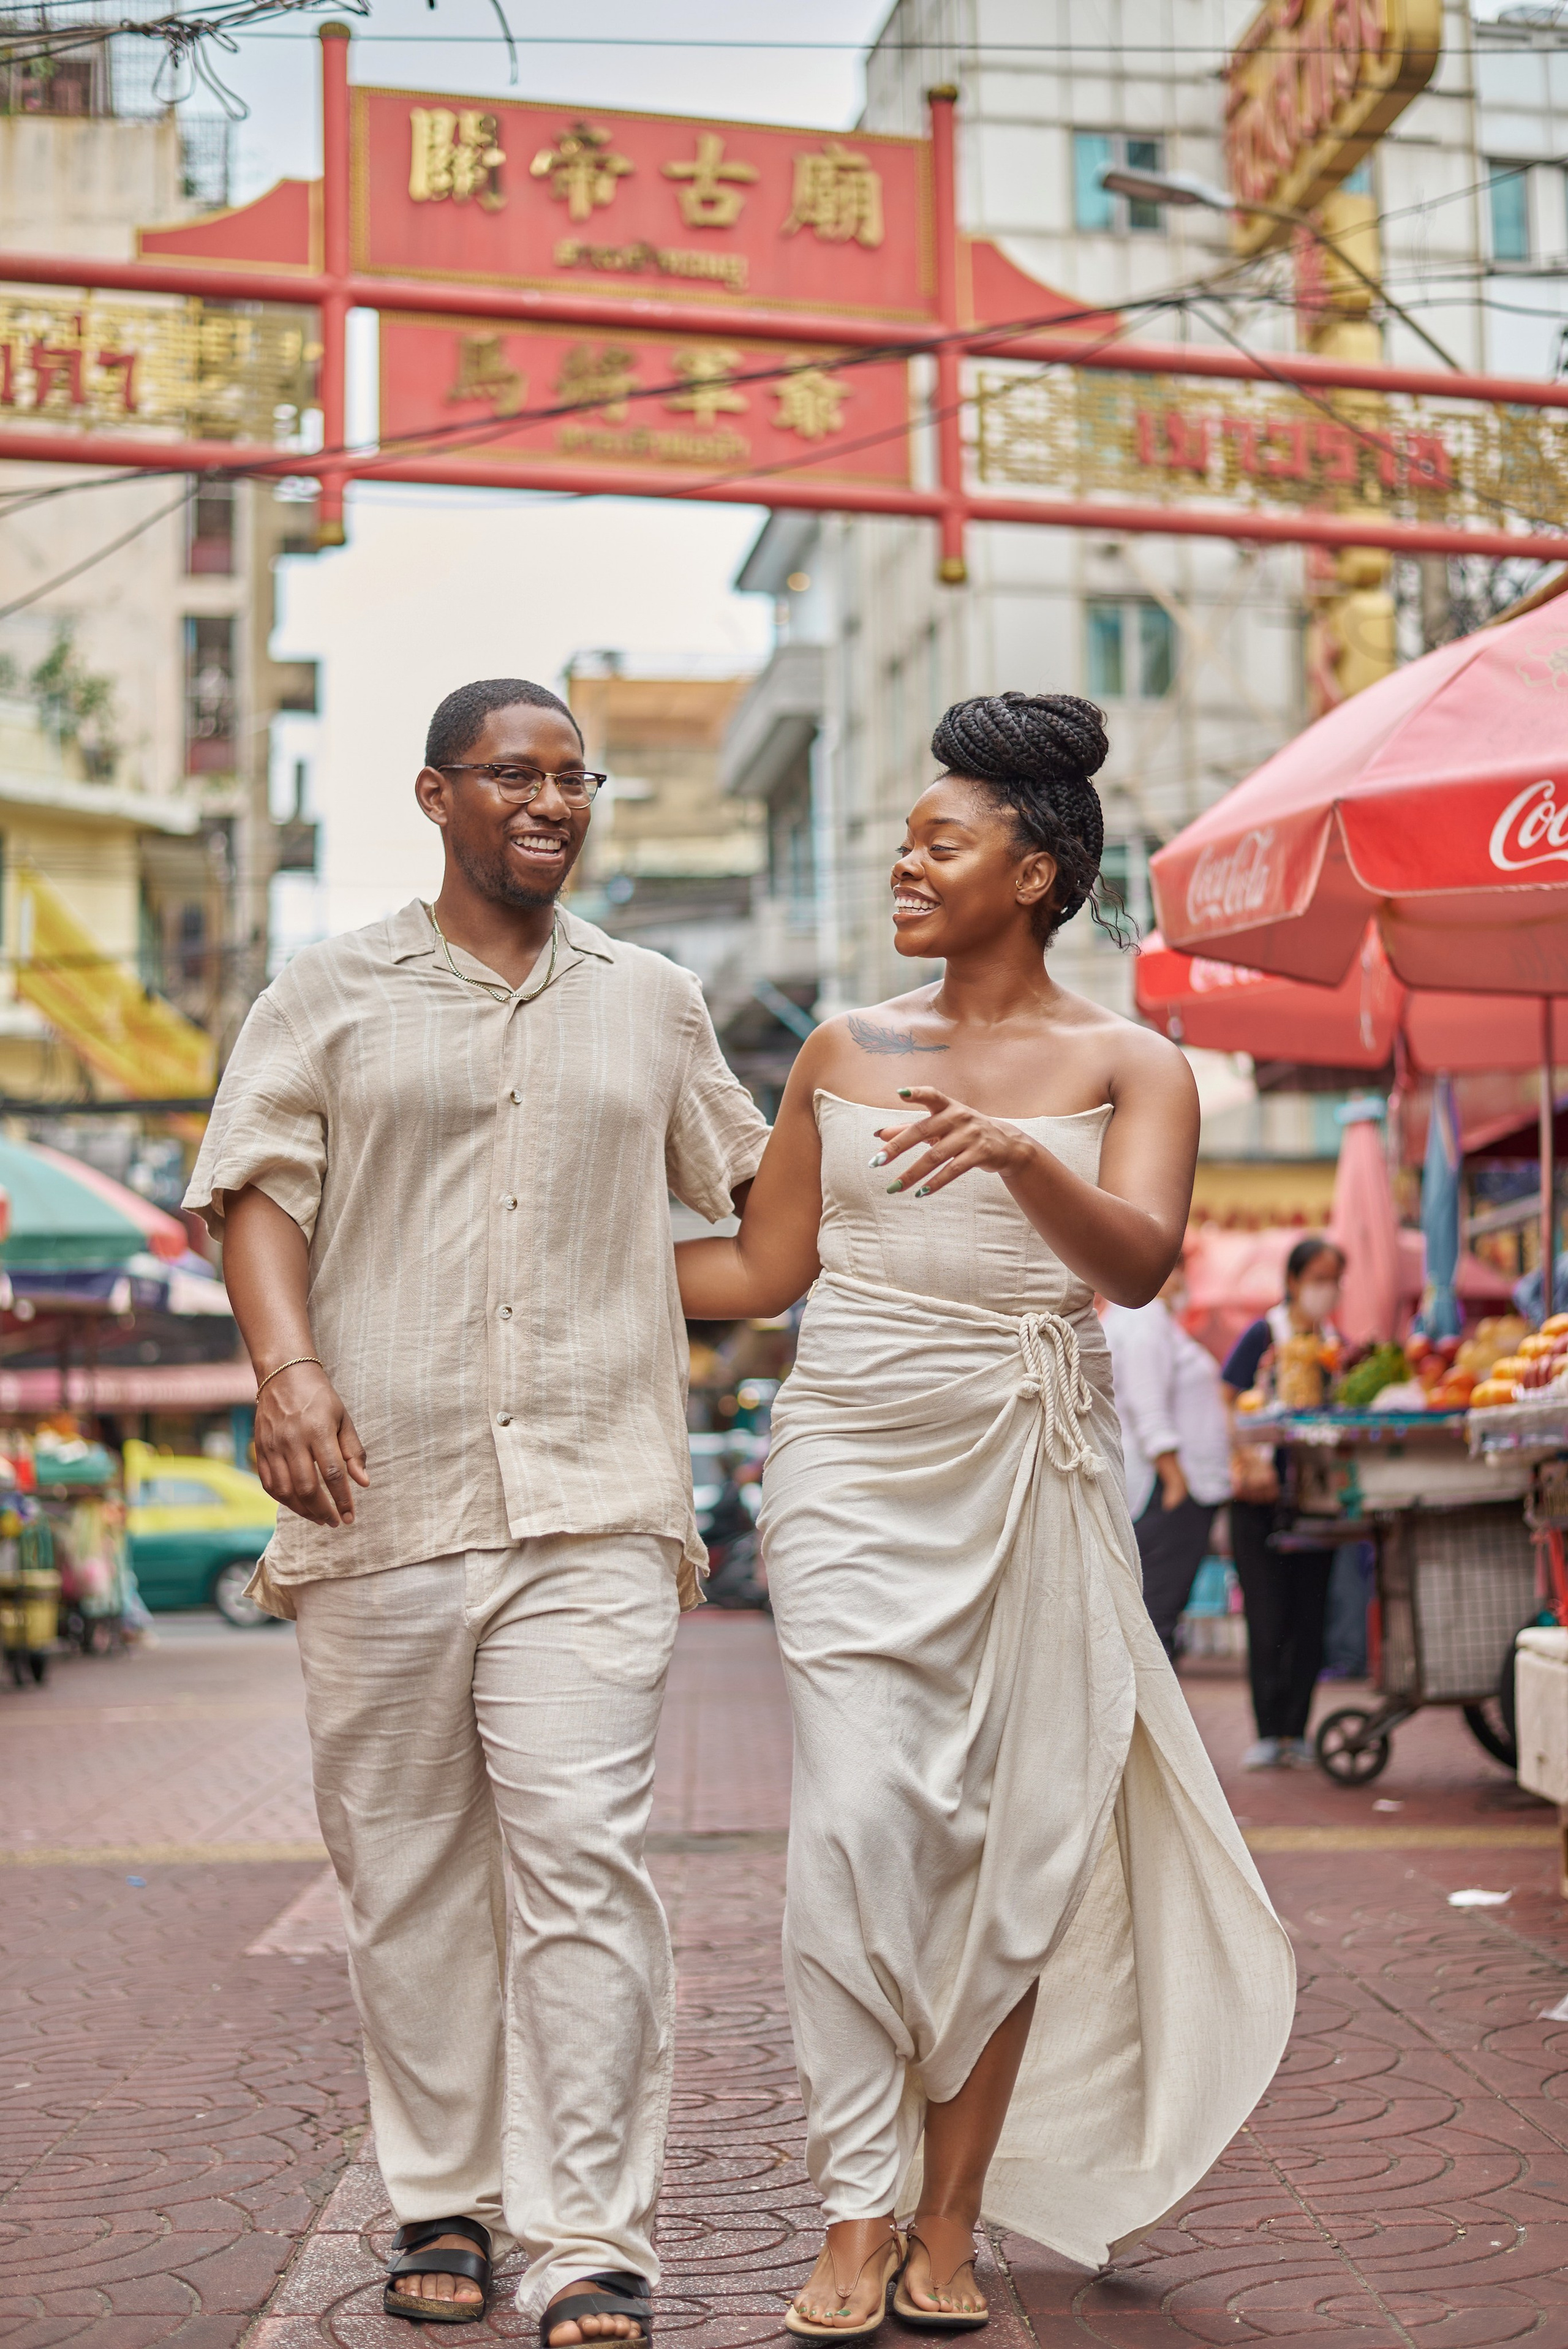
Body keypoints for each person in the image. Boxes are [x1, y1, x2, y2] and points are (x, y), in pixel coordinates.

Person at [675, 692, 1295, 2334]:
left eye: (940, 840)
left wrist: (1024, 1155)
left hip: (1036, 1461)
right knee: (859, 1825)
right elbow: (758, 1270)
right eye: (907, 834)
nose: (902, 860)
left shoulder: (1130, 1062)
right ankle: (852, 2206)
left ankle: (946, 2227)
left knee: (1014, 1848)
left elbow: (1142, 1265)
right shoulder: (841, 1049)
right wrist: (555, 1265)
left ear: (1035, 873)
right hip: (853, 1463)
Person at [187, 678, 769, 2340]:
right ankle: (443, 2197)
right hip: (382, 1489)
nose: (554, 800)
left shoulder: (653, 1002)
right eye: (516, 774)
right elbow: (254, 1189)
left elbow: (751, 1200)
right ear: (435, 796)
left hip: (593, 1489)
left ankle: (591, 2239)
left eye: (575, 777)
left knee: (585, 1857)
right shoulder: (333, 989)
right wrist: (288, 1372)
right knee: (411, 1871)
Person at [1219, 1237, 1346, 1771]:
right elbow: (1228, 1394)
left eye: (1333, 1278)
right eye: (1317, 1277)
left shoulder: (1334, 1341)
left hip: (1318, 1497)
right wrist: (1246, 1460)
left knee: (1311, 1616)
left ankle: (1300, 1729)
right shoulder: (1264, 1334)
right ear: (1293, 1280)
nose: (1327, 1289)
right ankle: (1270, 1731)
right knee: (1268, 1618)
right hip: (1261, 1498)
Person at [1103, 1254, 1232, 1661]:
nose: (1182, 1282)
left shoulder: (1143, 1318)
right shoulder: (1144, 1318)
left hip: (1166, 1485)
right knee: (1154, 1619)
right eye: (1177, 1270)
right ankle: (1148, 1723)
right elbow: (1147, 1403)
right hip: (1166, 1487)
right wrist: (1175, 1479)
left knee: (1152, 1616)